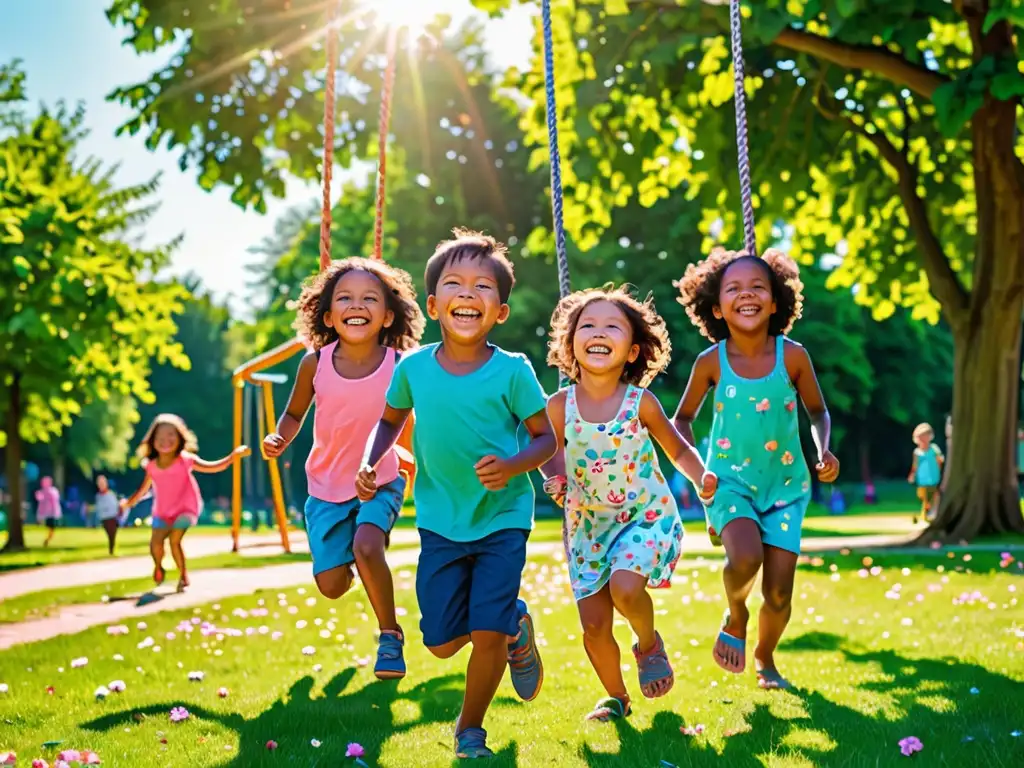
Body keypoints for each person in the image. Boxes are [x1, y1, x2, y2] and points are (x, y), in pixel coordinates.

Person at [357, 229, 556, 759]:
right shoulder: (413, 367)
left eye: (483, 287)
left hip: (502, 517)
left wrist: (513, 465)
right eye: (454, 284)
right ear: (433, 304)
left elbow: (545, 438)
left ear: (501, 311)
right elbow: (389, 421)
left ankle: (471, 729)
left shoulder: (513, 370)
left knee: (483, 633)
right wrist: (370, 461)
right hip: (440, 519)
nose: (468, 294)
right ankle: (514, 623)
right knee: (442, 642)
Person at [540, 286, 716, 722]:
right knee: (595, 628)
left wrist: (702, 478)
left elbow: (677, 450)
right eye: (588, 325)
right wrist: (554, 477)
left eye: (612, 326)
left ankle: (648, 644)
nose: (599, 332)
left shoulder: (642, 403)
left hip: (644, 516)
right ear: (571, 343)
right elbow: (546, 450)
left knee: (625, 587)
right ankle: (617, 697)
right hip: (587, 528)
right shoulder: (559, 406)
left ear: (633, 349)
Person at [674, 248, 840, 691]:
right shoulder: (711, 362)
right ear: (716, 307)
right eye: (733, 289)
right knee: (745, 558)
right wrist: (695, 468)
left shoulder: (794, 357)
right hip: (729, 483)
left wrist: (824, 451)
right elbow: (682, 419)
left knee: (780, 592)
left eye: (757, 288)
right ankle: (736, 613)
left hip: (786, 486)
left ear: (774, 303)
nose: (746, 295)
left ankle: (765, 659)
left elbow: (818, 412)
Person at [264, 257, 425, 680]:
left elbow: (424, 411)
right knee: (332, 585)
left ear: (388, 315)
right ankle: (351, 561)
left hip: (382, 479)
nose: (358, 305)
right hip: (326, 486)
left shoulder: (400, 364)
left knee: (368, 545)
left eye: (370, 298)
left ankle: (390, 636)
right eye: (346, 298)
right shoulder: (314, 364)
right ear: (329, 315)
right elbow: (294, 414)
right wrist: (280, 436)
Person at [121, 414, 248, 592]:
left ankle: (183, 575)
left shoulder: (185, 460)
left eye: (171, 436)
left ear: (180, 437)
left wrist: (233, 456)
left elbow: (213, 466)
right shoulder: (151, 465)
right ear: (152, 441)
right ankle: (158, 566)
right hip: (162, 511)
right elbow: (143, 489)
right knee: (155, 544)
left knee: (175, 541)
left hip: (185, 509)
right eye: (160, 438)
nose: (165, 441)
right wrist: (128, 503)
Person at [908, 422, 943, 524]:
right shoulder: (917, 452)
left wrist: (940, 470)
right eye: (921, 437)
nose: (924, 439)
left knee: (933, 497)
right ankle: (926, 514)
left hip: (934, 477)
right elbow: (915, 465)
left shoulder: (934, 449)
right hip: (922, 479)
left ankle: (928, 515)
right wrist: (912, 475)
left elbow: (939, 461)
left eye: (926, 436)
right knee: (923, 497)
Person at [94, 475, 121, 555]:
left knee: (112, 534)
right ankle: (111, 550)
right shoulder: (98, 496)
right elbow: (99, 508)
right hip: (104, 518)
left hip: (112, 517)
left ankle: (111, 550)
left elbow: (115, 506)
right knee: (109, 534)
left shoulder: (111, 495)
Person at [35, 476, 62, 547]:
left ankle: (47, 539)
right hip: (46, 513)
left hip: (51, 513)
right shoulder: (44, 491)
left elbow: (55, 502)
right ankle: (47, 539)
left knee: (51, 527)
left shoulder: (52, 491)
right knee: (49, 527)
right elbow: (40, 500)